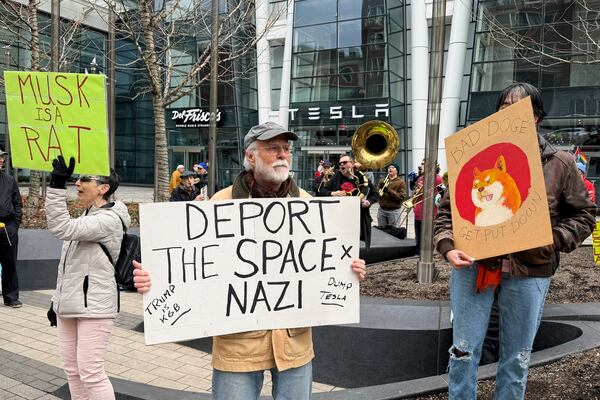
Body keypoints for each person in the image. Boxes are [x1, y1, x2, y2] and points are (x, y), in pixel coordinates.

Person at [132, 121, 367, 400]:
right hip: (238, 345)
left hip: (294, 343)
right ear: (251, 156)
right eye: (272, 148)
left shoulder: (308, 203)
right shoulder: (219, 204)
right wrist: (154, 279)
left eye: (286, 148)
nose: (282, 154)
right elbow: (189, 266)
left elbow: (324, 262)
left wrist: (349, 271)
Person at [434, 82, 597, 400]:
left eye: (518, 107)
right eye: (503, 106)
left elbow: (584, 215)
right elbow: (446, 215)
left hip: (530, 270)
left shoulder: (559, 163)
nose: (509, 112)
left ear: (536, 117)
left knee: (517, 357)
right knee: (462, 351)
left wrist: (552, 239)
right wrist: (448, 247)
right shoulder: (473, 157)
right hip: (474, 266)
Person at [45, 156, 130, 400]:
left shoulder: (108, 219)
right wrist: (56, 301)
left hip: (95, 307)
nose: (78, 183)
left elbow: (61, 227)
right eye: (77, 179)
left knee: (91, 373)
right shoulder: (88, 214)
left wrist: (56, 184)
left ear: (104, 188)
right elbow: (68, 267)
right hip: (69, 305)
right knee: (72, 371)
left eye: (85, 179)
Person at [320, 154, 377, 248]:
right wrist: (334, 193)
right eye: (340, 163)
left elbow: (375, 194)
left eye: (345, 162)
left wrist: (368, 202)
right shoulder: (336, 176)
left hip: (359, 216)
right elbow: (322, 191)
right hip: (340, 217)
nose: (342, 165)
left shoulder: (361, 177)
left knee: (358, 246)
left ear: (352, 164)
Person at [0, 149, 22, 308]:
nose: (1, 160)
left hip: (8, 228)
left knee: (10, 264)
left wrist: (15, 225)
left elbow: (17, 203)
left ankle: (11, 297)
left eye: (2, 157)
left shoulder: (9, 180)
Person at [413, 160, 443, 255]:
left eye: (423, 164)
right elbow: (416, 196)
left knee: (428, 240)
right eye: (421, 163)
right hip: (418, 212)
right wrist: (416, 191)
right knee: (418, 239)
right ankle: (417, 257)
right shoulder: (420, 178)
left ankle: (428, 257)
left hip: (430, 214)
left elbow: (439, 197)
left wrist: (426, 191)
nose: (420, 165)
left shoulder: (438, 179)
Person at [376, 163, 406, 228]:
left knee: (393, 232)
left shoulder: (401, 182)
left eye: (392, 167)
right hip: (382, 210)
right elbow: (377, 194)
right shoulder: (382, 180)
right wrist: (377, 191)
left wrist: (388, 190)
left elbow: (401, 198)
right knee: (381, 231)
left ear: (397, 171)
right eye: (389, 168)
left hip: (394, 211)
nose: (390, 169)